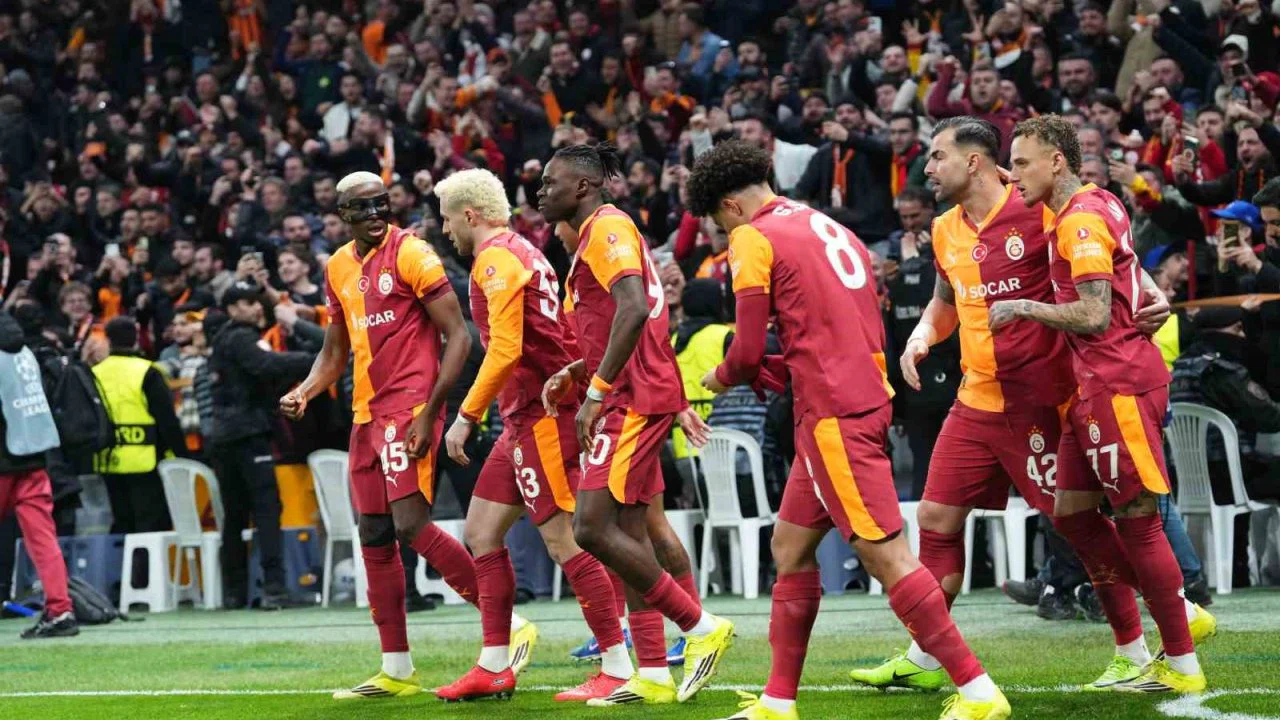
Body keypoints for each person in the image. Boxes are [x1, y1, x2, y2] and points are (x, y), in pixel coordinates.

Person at [688, 139, 1008, 720]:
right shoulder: (823, 224)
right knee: (790, 548)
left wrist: (725, 373)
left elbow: (748, 350)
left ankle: (979, 691)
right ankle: (778, 701)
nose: (724, 232)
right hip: (854, 397)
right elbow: (837, 324)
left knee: (887, 557)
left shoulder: (753, 236)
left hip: (833, 412)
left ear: (729, 207)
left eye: (719, 222)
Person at [1002, 114, 1209, 693]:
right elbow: (1130, 274)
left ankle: (1182, 662)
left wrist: (1023, 307)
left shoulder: (1080, 221)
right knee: (1070, 513)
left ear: (1056, 162)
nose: (1013, 175)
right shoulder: (1097, 201)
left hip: (1118, 383)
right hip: (1090, 386)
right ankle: (1155, 624)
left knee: (1139, 520)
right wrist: (1151, 293)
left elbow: (1094, 314)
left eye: (1021, 163)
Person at [280, 171, 492, 700]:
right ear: (342, 216)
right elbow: (334, 351)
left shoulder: (413, 254)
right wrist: (305, 390)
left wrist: (431, 411)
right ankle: (396, 668)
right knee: (374, 533)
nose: (375, 214)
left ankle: (504, 625)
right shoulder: (338, 266)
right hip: (366, 414)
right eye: (363, 207)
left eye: (382, 204)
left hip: (410, 407)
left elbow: (459, 335)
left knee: (410, 524)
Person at [536, 144, 731, 706]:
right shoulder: (595, 236)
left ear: (582, 187)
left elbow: (636, 308)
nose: (542, 192)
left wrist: (595, 392)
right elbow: (627, 322)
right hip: (632, 392)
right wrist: (578, 370)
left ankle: (699, 626)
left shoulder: (607, 227)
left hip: (631, 401)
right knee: (630, 533)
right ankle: (653, 673)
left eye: (550, 182)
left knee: (591, 529)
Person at [431, 168, 633, 703]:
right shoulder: (521, 250)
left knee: (565, 540)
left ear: (469, 215)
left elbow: (506, 348)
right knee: (481, 532)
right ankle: (495, 664)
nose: (445, 230)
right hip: (527, 413)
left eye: (447, 219)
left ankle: (618, 664)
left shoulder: (495, 259)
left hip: (542, 413)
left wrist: (466, 415)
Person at [207, 281, 314, 609]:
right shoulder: (241, 337)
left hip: (225, 436)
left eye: (256, 301)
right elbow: (266, 366)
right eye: (246, 302)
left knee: (235, 515)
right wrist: (316, 360)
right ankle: (274, 588)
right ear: (231, 309)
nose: (256, 307)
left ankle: (234, 592)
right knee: (267, 510)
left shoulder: (221, 339)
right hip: (248, 435)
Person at [0, 311, 75, 639]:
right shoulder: (25, 353)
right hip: (33, 457)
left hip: (4, 459)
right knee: (43, 539)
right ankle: (61, 611)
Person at [92, 316, 184, 535]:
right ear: (135, 339)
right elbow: (167, 420)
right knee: (150, 528)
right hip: (146, 460)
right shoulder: (147, 371)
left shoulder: (94, 373)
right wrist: (182, 454)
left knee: (121, 524)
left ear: (108, 340)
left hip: (108, 460)